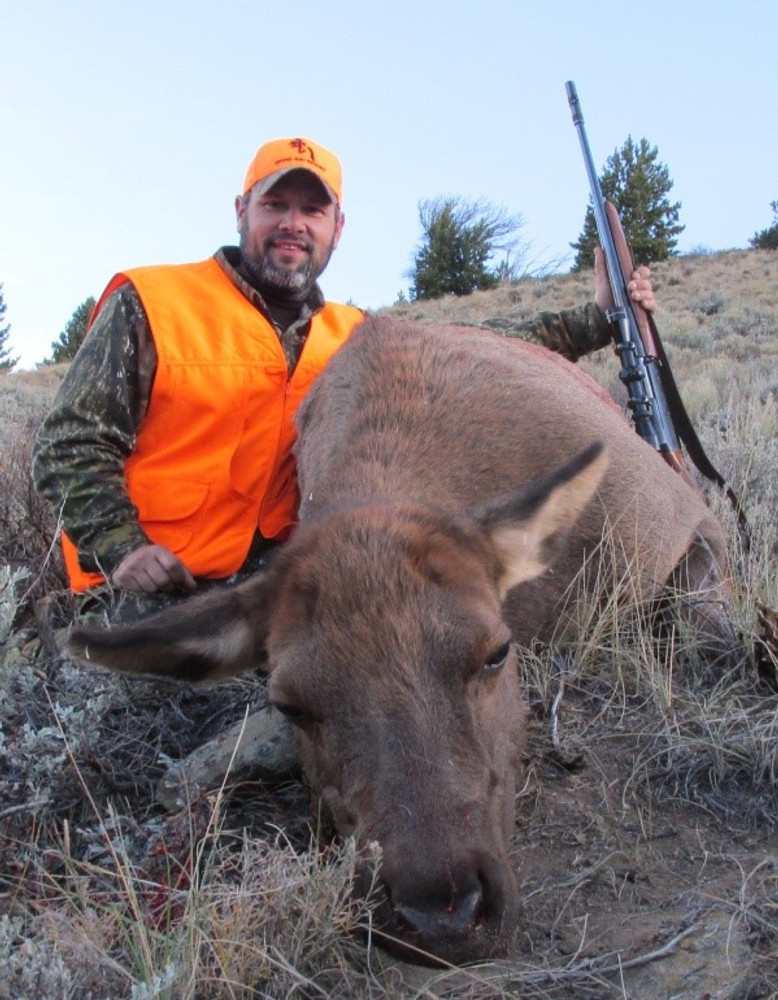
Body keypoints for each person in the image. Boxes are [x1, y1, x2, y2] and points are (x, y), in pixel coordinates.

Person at [33, 135, 656, 622]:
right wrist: (123, 548)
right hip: (146, 590)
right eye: (275, 203)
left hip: (282, 584)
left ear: (338, 227)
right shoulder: (152, 303)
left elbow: (472, 349)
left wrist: (598, 320)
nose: (293, 224)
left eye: (313, 209)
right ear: (241, 209)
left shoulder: (350, 337)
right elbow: (68, 443)